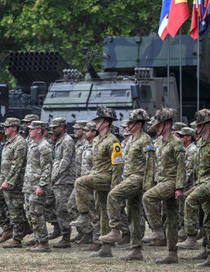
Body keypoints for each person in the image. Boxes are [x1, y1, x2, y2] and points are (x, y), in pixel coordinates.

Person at [176, 109, 210, 267]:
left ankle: (191, 236)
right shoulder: (200, 143)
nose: (197, 128)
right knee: (209, 218)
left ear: (207, 125)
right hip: (202, 181)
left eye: (199, 125)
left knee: (190, 199)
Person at [100, 108, 154, 261]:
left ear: (139, 124)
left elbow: (150, 164)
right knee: (133, 214)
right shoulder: (130, 141)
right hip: (128, 178)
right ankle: (136, 250)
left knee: (113, 195)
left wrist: (148, 185)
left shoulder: (145, 140)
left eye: (131, 123)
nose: (128, 125)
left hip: (138, 178)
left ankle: (115, 229)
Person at [71, 106, 123, 258]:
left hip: (107, 177)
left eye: (99, 121)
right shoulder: (97, 140)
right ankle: (105, 248)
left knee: (80, 182)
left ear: (106, 123)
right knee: (102, 213)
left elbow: (118, 165)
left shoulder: (112, 141)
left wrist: (115, 186)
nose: (96, 123)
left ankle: (83, 214)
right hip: (98, 177)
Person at [142, 108, 184, 263]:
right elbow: (155, 165)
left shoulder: (176, 143)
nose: (156, 127)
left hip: (172, 181)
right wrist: (152, 181)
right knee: (170, 218)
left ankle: (157, 230)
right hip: (161, 181)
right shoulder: (158, 142)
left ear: (167, 125)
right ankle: (172, 253)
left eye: (159, 125)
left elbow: (181, 166)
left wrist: (179, 187)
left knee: (148, 197)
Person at [23, 121, 53, 252]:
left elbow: (47, 168)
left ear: (39, 130)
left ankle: (44, 243)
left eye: (32, 129)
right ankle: (37, 239)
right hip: (29, 185)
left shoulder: (44, 146)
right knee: (30, 213)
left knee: (36, 213)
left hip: (37, 186)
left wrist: (42, 186)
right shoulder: (32, 144)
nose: (29, 131)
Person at [46, 117, 76, 248]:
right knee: (48, 204)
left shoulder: (67, 141)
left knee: (62, 209)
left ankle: (66, 237)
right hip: (57, 180)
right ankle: (57, 227)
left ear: (62, 127)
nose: (52, 130)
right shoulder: (59, 141)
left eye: (55, 127)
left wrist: (55, 176)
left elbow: (65, 161)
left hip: (65, 180)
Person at [0, 117, 28, 248]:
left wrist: (9, 181)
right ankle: (10, 230)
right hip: (3, 180)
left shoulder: (20, 143)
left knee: (15, 210)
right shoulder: (9, 142)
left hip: (14, 183)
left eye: (7, 127)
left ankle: (17, 239)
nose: (4, 129)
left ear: (14, 128)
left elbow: (17, 164)